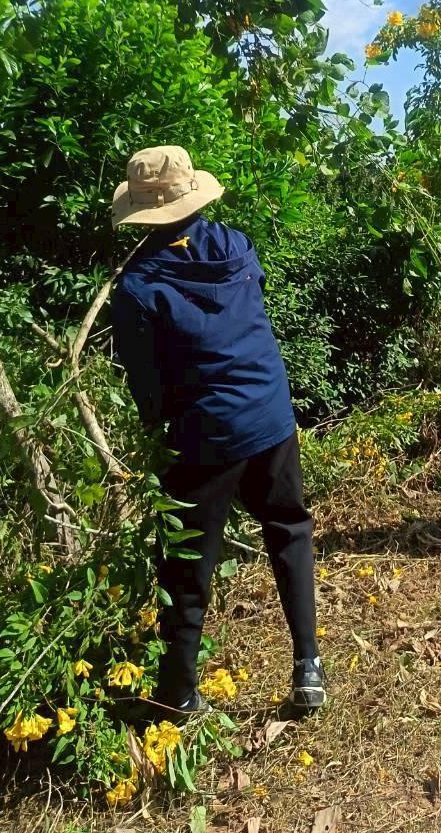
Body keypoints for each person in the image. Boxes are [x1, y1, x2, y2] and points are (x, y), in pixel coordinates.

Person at [109, 145, 324, 714]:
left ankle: (179, 693)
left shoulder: (135, 289)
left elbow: (147, 391)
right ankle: (308, 667)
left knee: (185, 563)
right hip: (271, 414)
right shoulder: (235, 245)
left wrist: (162, 438)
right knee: (288, 529)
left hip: (206, 436)